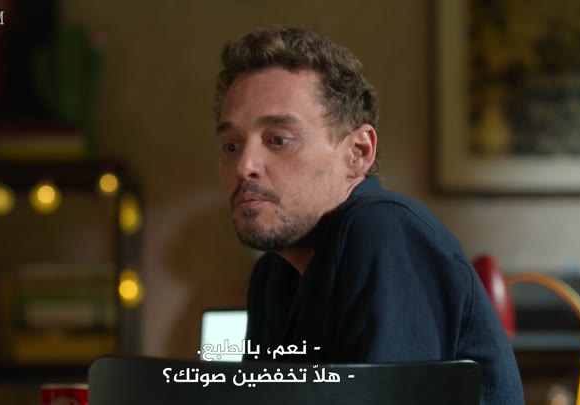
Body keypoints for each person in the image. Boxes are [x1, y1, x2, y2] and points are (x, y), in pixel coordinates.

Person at [214, 26, 523, 404]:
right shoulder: (272, 276)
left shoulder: (382, 229)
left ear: (358, 152)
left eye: (278, 139)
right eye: (231, 145)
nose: (244, 166)